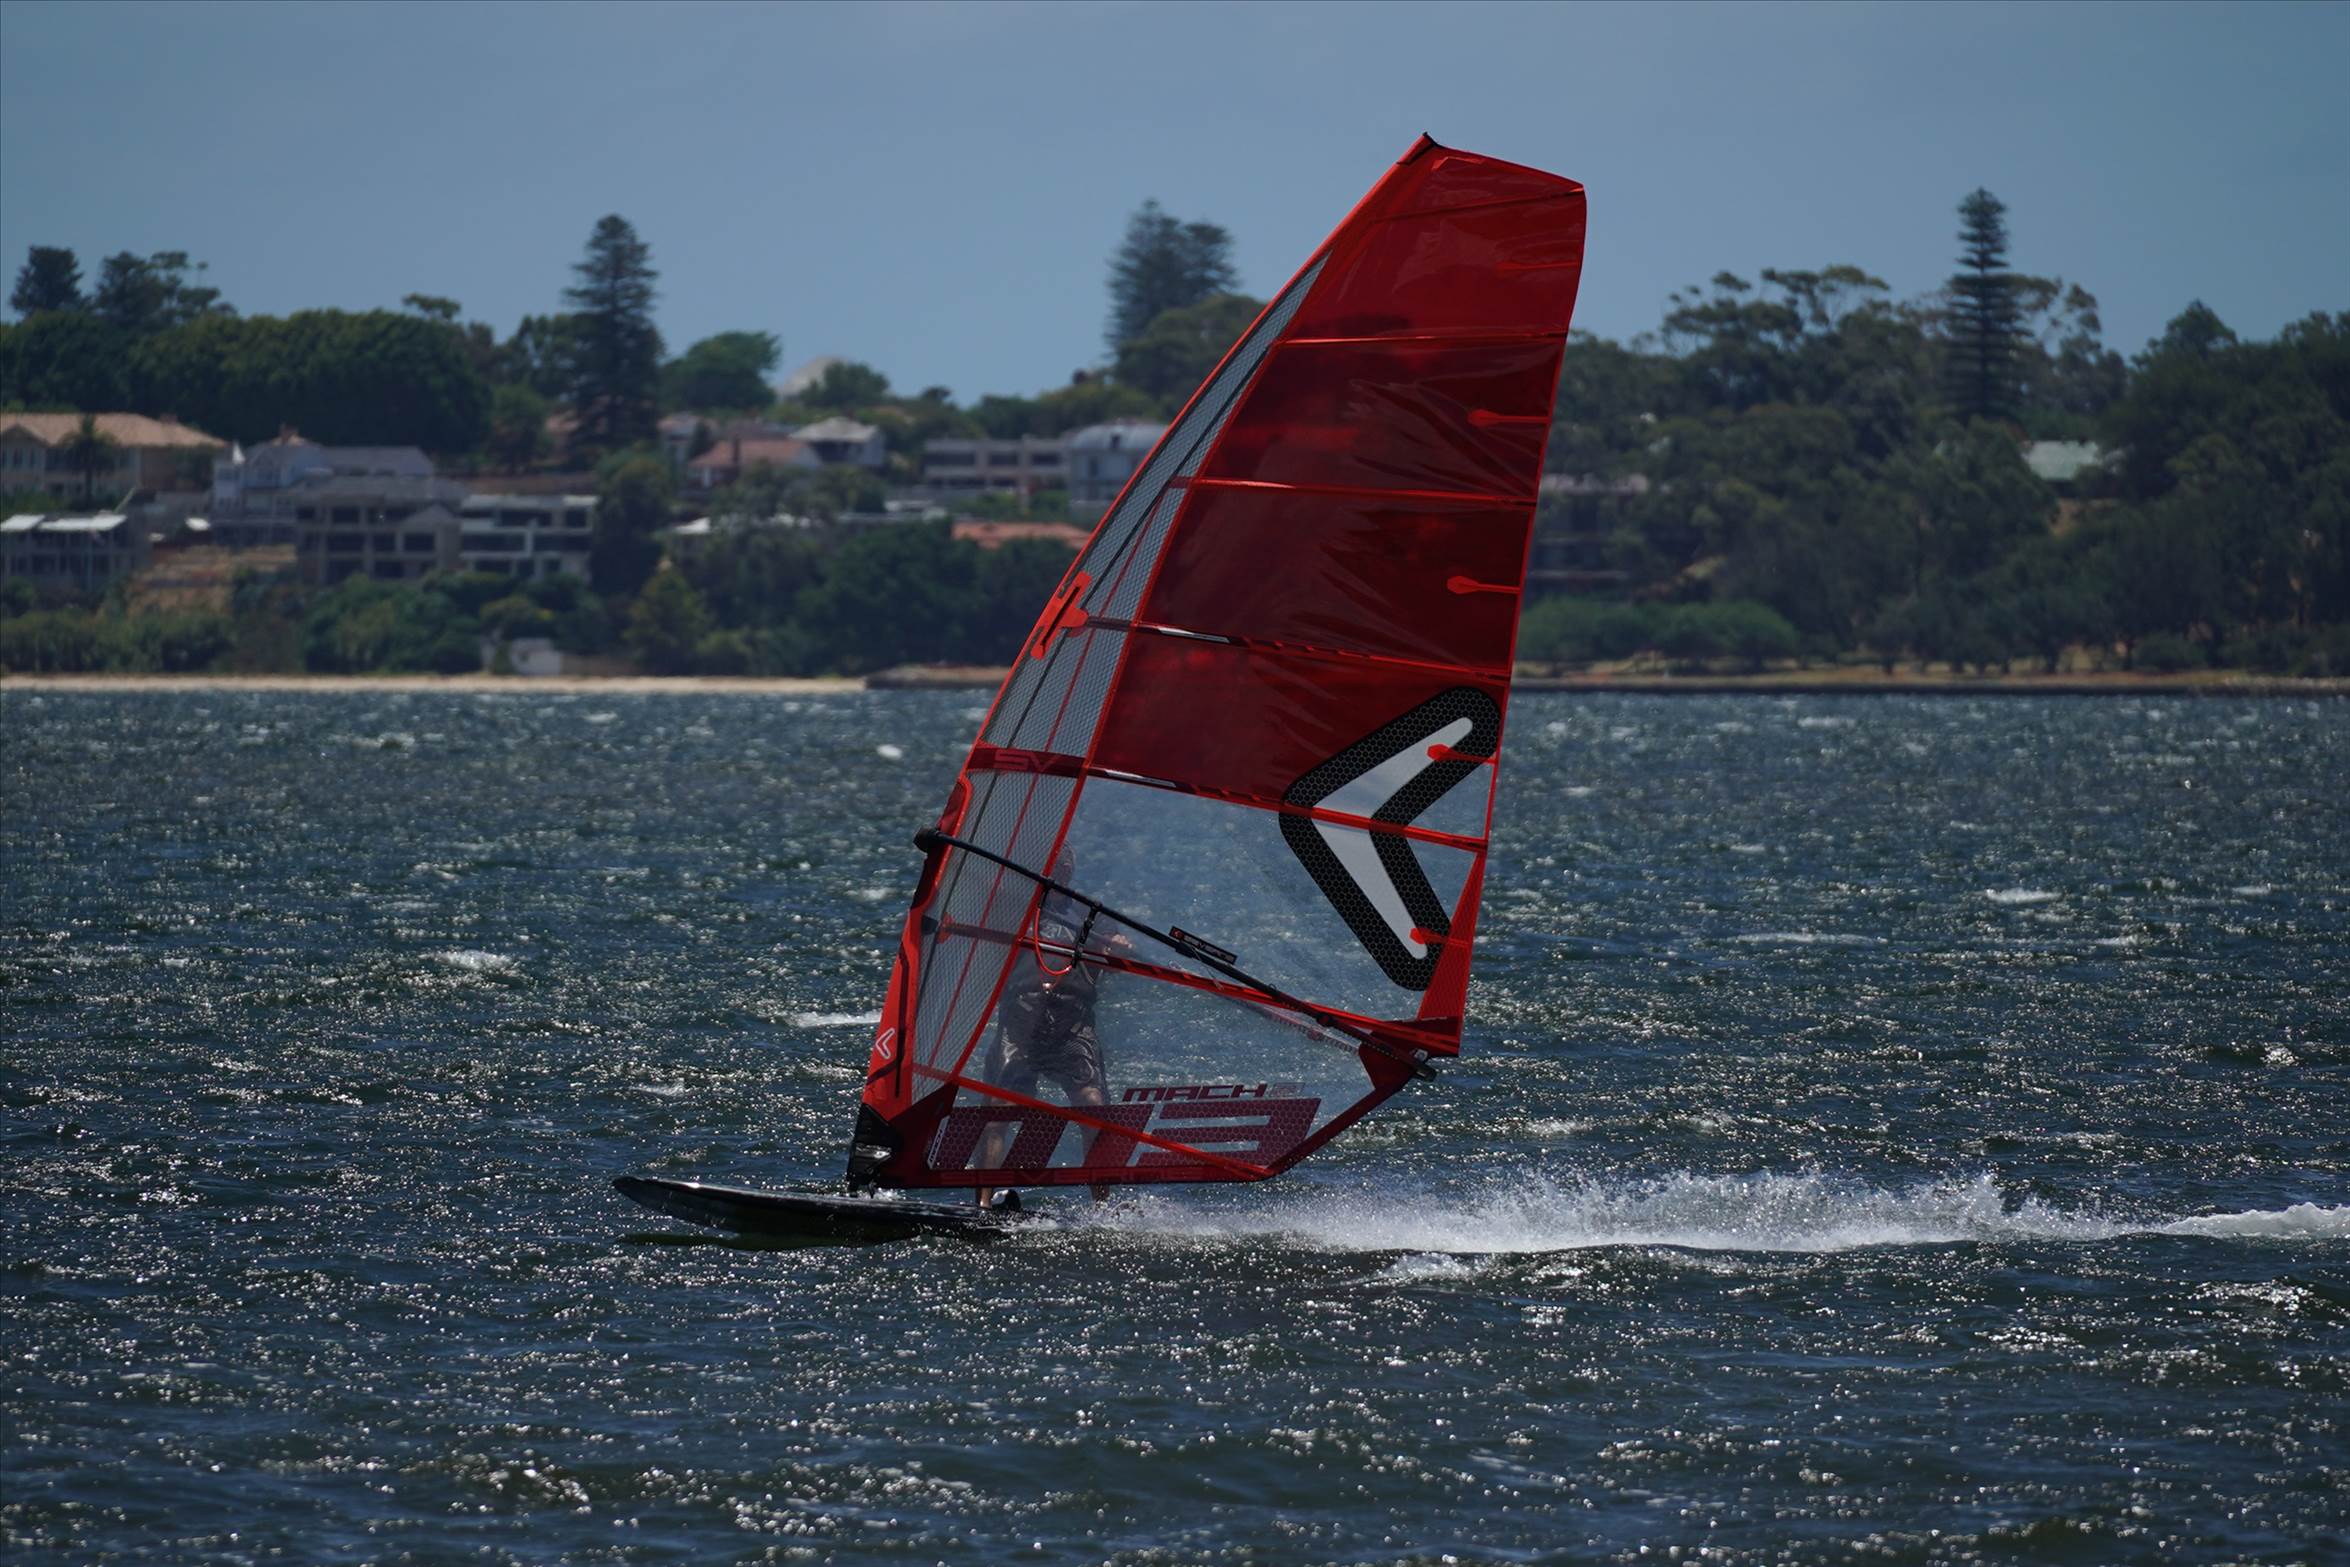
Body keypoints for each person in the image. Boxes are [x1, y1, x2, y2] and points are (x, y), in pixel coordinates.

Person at [976, 846, 1130, 1209]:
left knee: (1092, 1105)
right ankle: (981, 1205)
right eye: (1053, 865)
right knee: (998, 1110)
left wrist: (1121, 950)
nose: (1060, 871)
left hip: (1071, 1022)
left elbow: (1118, 960)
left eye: (1065, 865)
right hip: (1021, 1019)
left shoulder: (1091, 914)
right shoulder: (1017, 909)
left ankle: (1103, 1206)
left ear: (1071, 871)